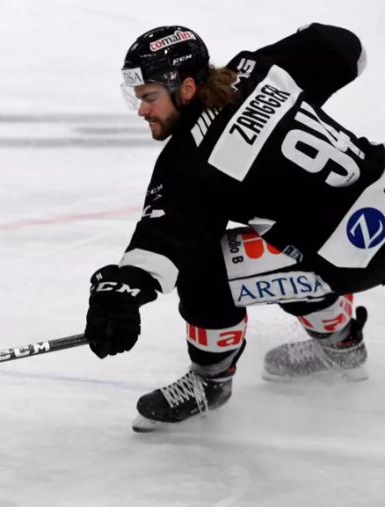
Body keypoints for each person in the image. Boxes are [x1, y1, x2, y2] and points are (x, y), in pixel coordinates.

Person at [84, 24, 379, 432]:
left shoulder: (192, 161)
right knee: (283, 240)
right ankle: (340, 344)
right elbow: (345, 47)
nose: (142, 111)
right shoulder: (260, 69)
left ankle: (211, 382)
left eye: (150, 97)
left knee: (206, 268)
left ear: (187, 88)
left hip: (352, 254)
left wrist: (120, 292)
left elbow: (165, 245)